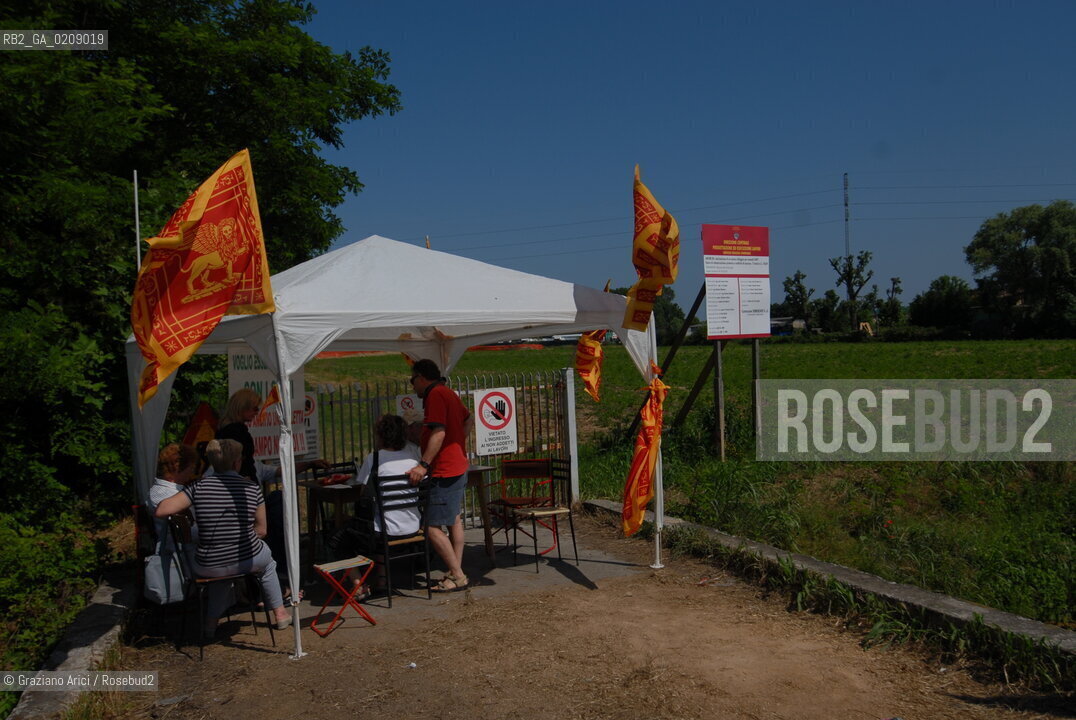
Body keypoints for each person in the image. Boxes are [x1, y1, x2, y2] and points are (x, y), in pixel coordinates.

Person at [155, 438, 292, 636]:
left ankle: (210, 624)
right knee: (268, 562)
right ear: (237, 462)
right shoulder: (251, 488)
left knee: (221, 575)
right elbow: (262, 531)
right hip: (246, 559)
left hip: (208, 564)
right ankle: (280, 613)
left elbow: (161, 510)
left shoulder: (197, 488)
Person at [217, 388, 328, 595]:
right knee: (276, 515)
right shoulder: (235, 443)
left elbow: (276, 470)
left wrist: (310, 462)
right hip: (245, 522)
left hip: (251, 515)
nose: (257, 411)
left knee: (278, 502)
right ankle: (281, 579)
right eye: (254, 408)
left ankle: (281, 577)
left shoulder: (249, 464)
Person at [406, 359, 473, 592]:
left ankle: (457, 575)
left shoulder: (435, 395)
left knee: (432, 527)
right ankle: (455, 571)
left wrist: (423, 464)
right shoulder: (448, 392)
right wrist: (458, 445)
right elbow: (468, 419)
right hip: (457, 465)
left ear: (422, 377)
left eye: (412, 380)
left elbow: (439, 431)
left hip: (445, 470)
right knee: (454, 520)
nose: (412, 386)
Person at [343, 414, 423, 597]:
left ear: (380, 435)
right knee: (379, 520)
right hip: (413, 526)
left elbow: (363, 493)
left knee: (339, 539)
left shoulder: (375, 459)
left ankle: (358, 585)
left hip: (386, 531)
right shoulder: (414, 459)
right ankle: (381, 580)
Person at [146, 443, 200, 553]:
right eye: (191, 468)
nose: (192, 472)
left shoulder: (162, 490)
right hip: (180, 554)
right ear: (177, 467)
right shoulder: (165, 494)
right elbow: (189, 532)